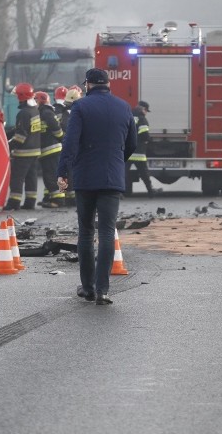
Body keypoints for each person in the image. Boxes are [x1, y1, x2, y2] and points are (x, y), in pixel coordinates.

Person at [57, 68, 136, 306]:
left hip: (86, 178)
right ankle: (103, 290)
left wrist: (63, 172)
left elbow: (70, 142)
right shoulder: (124, 107)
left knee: (86, 231)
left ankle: (88, 288)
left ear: (88, 85)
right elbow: (131, 143)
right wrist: (116, 162)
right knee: (106, 232)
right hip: (112, 178)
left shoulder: (80, 107)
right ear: (108, 84)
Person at [5, 82, 41, 210]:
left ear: (21, 97)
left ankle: (14, 202)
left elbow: (21, 135)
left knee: (17, 178)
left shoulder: (23, 113)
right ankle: (30, 202)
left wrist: (7, 146)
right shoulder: (34, 110)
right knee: (31, 178)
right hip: (35, 151)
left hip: (23, 152)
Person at [34, 91, 66, 208]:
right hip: (47, 150)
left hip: (51, 149)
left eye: (36, 100)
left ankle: (59, 200)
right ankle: (49, 198)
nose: (34, 102)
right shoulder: (42, 112)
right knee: (48, 176)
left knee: (52, 175)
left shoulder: (46, 112)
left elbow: (56, 129)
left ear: (41, 101)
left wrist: (62, 138)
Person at [58, 86, 81, 206]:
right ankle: (72, 197)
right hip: (75, 148)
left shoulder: (69, 115)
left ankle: (72, 198)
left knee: (71, 172)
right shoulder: (75, 114)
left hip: (72, 148)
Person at [128, 100, 155, 197]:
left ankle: (118, 193)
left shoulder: (128, 116)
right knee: (144, 174)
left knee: (122, 174)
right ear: (143, 109)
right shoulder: (141, 118)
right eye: (146, 110)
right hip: (138, 152)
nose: (146, 113)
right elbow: (144, 134)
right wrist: (148, 140)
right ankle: (151, 192)